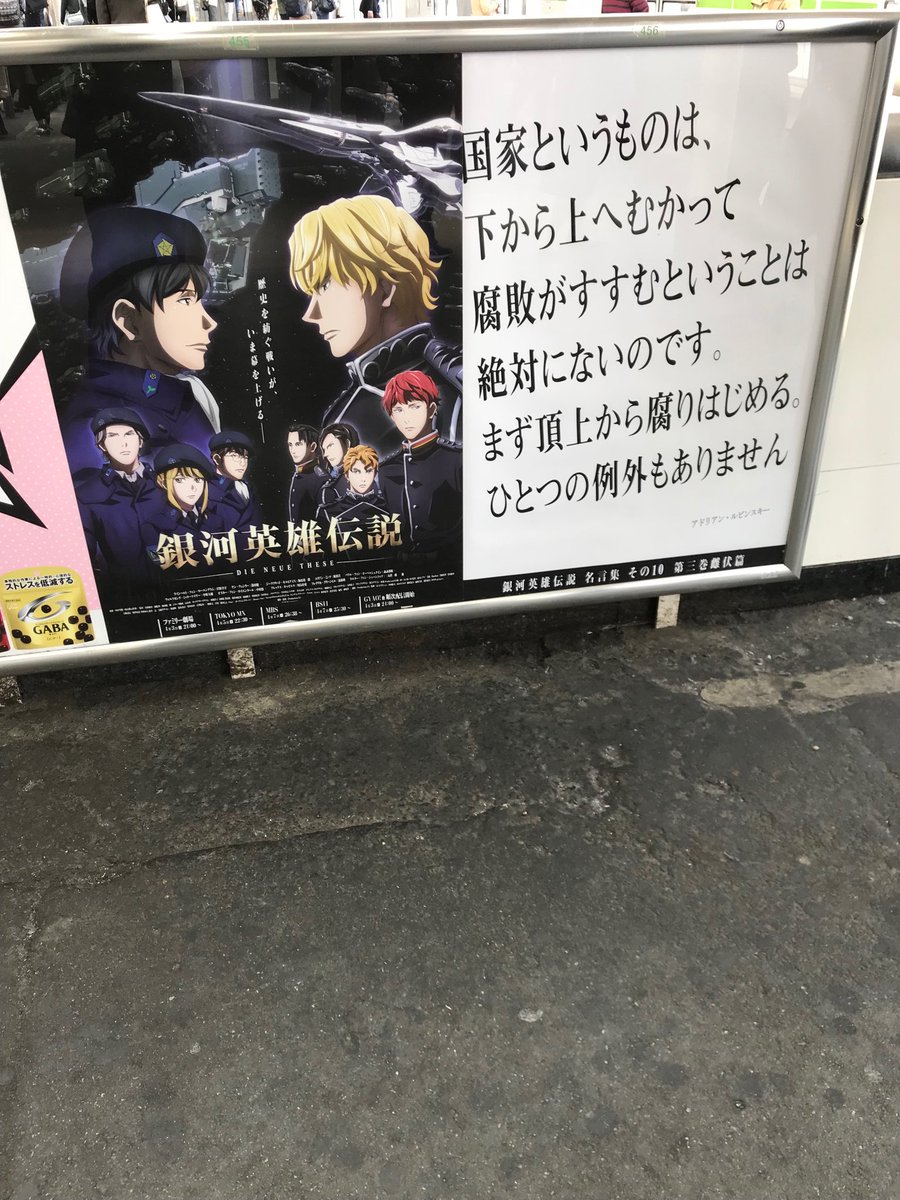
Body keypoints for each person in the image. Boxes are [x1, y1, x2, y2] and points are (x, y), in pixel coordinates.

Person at [288, 194, 461, 459]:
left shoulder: (458, 390)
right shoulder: (342, 413)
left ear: (386, 288)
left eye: (325, 285)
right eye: (312, 292)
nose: (311, 314)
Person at [58, 207, 221, 476]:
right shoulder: (90, 434)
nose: (208, 321)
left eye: (198, 300)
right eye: (184, 300)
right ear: (128, 320)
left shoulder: (189, 392)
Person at [378, 369, 461, 562]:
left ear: (431, 409)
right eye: (398, 410)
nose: (406, 418)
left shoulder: (457, 458)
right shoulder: (385, 469)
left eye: (414, 406)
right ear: (392, 416)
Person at [74, 407, 160, 581]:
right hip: (126, 590)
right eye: (113, 436)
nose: (123, 443)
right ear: (101, 445)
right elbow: (82, 558)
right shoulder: (87, 495)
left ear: (140, 441)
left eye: (129, 434)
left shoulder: (168, 484)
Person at [141, 443, 224, 569]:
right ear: (164, 483)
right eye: (180, 480)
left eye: (197, 480)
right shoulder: (154, 526)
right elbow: (160, 568)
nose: (192, 487)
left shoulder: (216, 520)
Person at [318, 444, 396, 552]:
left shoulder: (390, 507)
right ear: (347, 475)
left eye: (368, 471)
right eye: (356, 471)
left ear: (375, 474)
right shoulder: (327, 512)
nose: (363, 478)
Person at [208, 430, 263, 531]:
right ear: (217, 459)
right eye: (235, 456)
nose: (242, 463)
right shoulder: (208, 491)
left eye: (245, 457)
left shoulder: (247, 487)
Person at [285, 422, 324, 524]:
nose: (293, 450)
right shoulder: (293, 475)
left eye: (298, 444)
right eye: (290, 445)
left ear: (312, 447)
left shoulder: (321, 479)